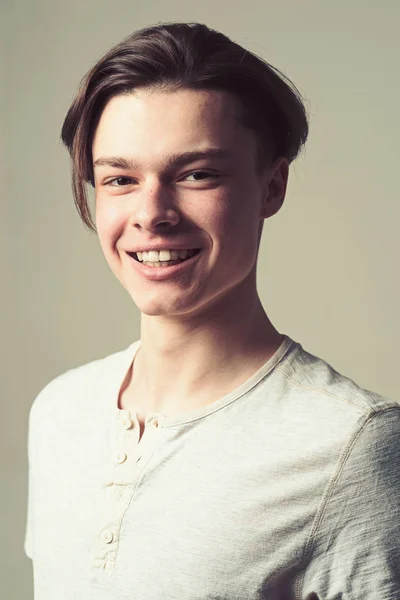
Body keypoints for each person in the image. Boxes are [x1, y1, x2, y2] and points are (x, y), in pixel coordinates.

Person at [24, 22, 400, 600]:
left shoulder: (351, 445)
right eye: (120, 179)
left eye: (196, 174)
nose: (152, 213)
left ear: (272, 185)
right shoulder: (58, 413)